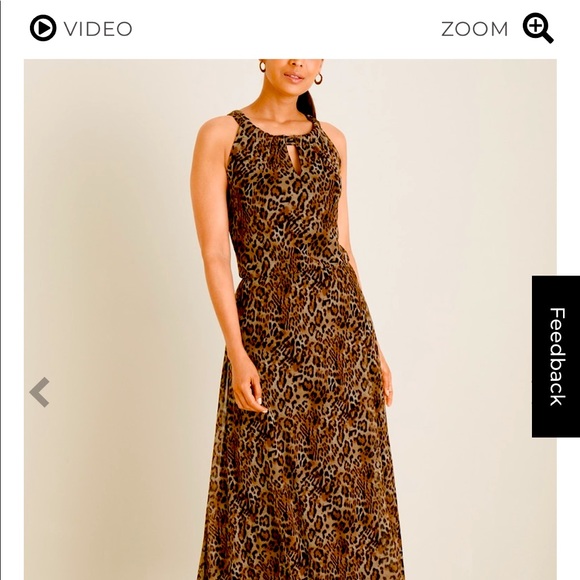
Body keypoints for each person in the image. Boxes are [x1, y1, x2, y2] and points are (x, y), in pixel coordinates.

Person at [190, 59, 405, 579]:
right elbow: (216, 254)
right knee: (262, 494)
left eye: (311, 49)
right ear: (262, 53)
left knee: (349, 495)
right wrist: (238, 352)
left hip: (342, 341)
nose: (298, 61)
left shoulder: (333, 141)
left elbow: (343, 249)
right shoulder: (220, 135)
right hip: (267, 336)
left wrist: (373, 348)